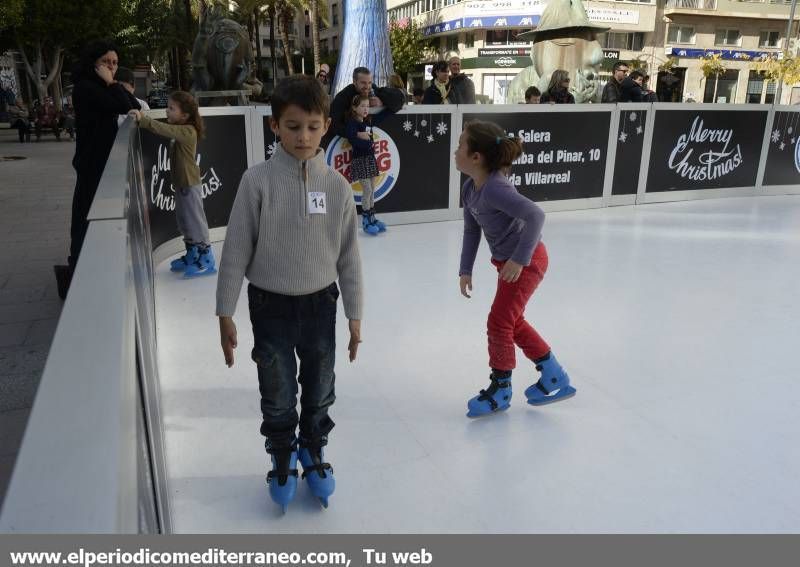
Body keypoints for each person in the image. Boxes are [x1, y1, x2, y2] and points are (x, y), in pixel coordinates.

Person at [215, 75, 363, 512]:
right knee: (276, 387)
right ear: (274, 126)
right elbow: (237, 248)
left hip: (321, 304)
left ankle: (313, 447)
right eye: (293, 126)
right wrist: (225, 310)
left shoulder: (336, 186)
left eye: (313, 126)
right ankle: (282, 450)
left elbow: (349, 256)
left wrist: (354, 313)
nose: (304, 136)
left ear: (327, 126)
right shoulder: (257, 181)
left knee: (320, 386)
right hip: (271, 305)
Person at [455, 120, 576, 418]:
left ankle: (502, 388)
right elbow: (472, 231)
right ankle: (553, 374)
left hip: (528, 260)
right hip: (510, 262)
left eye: (460, 146)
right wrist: (465, 269)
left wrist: (520, 259)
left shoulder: (496, 188)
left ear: (476, 157)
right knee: (512, 320)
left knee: (499, 322)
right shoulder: (470, 189)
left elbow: (536, 215)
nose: (455, 151)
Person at [56, 40, 140, 300]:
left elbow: (134, 102)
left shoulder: (104, 86)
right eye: (107, 62)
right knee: (84, 215)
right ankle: (77, 267)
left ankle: (86, 264)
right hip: (92, 163)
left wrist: (113, 84)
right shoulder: (85, 88)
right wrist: (112, 83)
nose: (112, 67)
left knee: (91, 214)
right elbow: (123, 106)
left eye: (115, 63)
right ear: (95, 63)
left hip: (104, 162)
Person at [129, 91, 215, 277]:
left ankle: (207, 257)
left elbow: (164, 130)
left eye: (171, 108)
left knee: (195, 221)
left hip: (190, 184)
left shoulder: (187, 131)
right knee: (184, 221)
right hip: (182, 185)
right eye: (168, 107)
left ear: (184, 115)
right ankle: (192, 253)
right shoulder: (181, 127)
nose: (167, 111)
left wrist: (143, 119)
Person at [345, 94, 391, 235]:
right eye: (362, 106)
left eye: (367, 106)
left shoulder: (367, 122)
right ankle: (366, 221)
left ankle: (373, 218)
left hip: (370, 159)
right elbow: (353, 139)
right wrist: (366, 141)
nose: (366, 109)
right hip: (360, 161)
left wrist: (367, 140)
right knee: (367, 190)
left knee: (372, 189)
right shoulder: (352, 123)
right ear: (354, 107)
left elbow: (369, 139)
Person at [330, 67, 380, 138]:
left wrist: (380, 102)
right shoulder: (342, 97)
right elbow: (333, 125)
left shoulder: (372, 89)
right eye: (363, 83)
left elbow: (398, 97)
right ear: (354, 81)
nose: (367, 86)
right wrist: (356, 134)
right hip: (340, 145)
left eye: (369, 82)